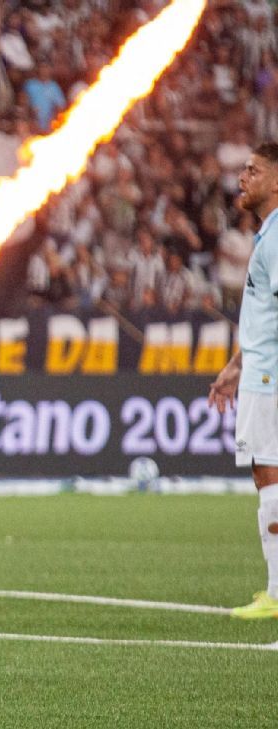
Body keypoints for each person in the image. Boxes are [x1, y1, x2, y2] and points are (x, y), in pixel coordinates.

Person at [209, 141, 278, 620]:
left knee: (268, 472)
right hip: (260, 366)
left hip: (271, 374)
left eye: (253, 170)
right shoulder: (266, 235)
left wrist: (254, 365)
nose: (242, 178)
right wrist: (236, 365)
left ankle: (277, 591)